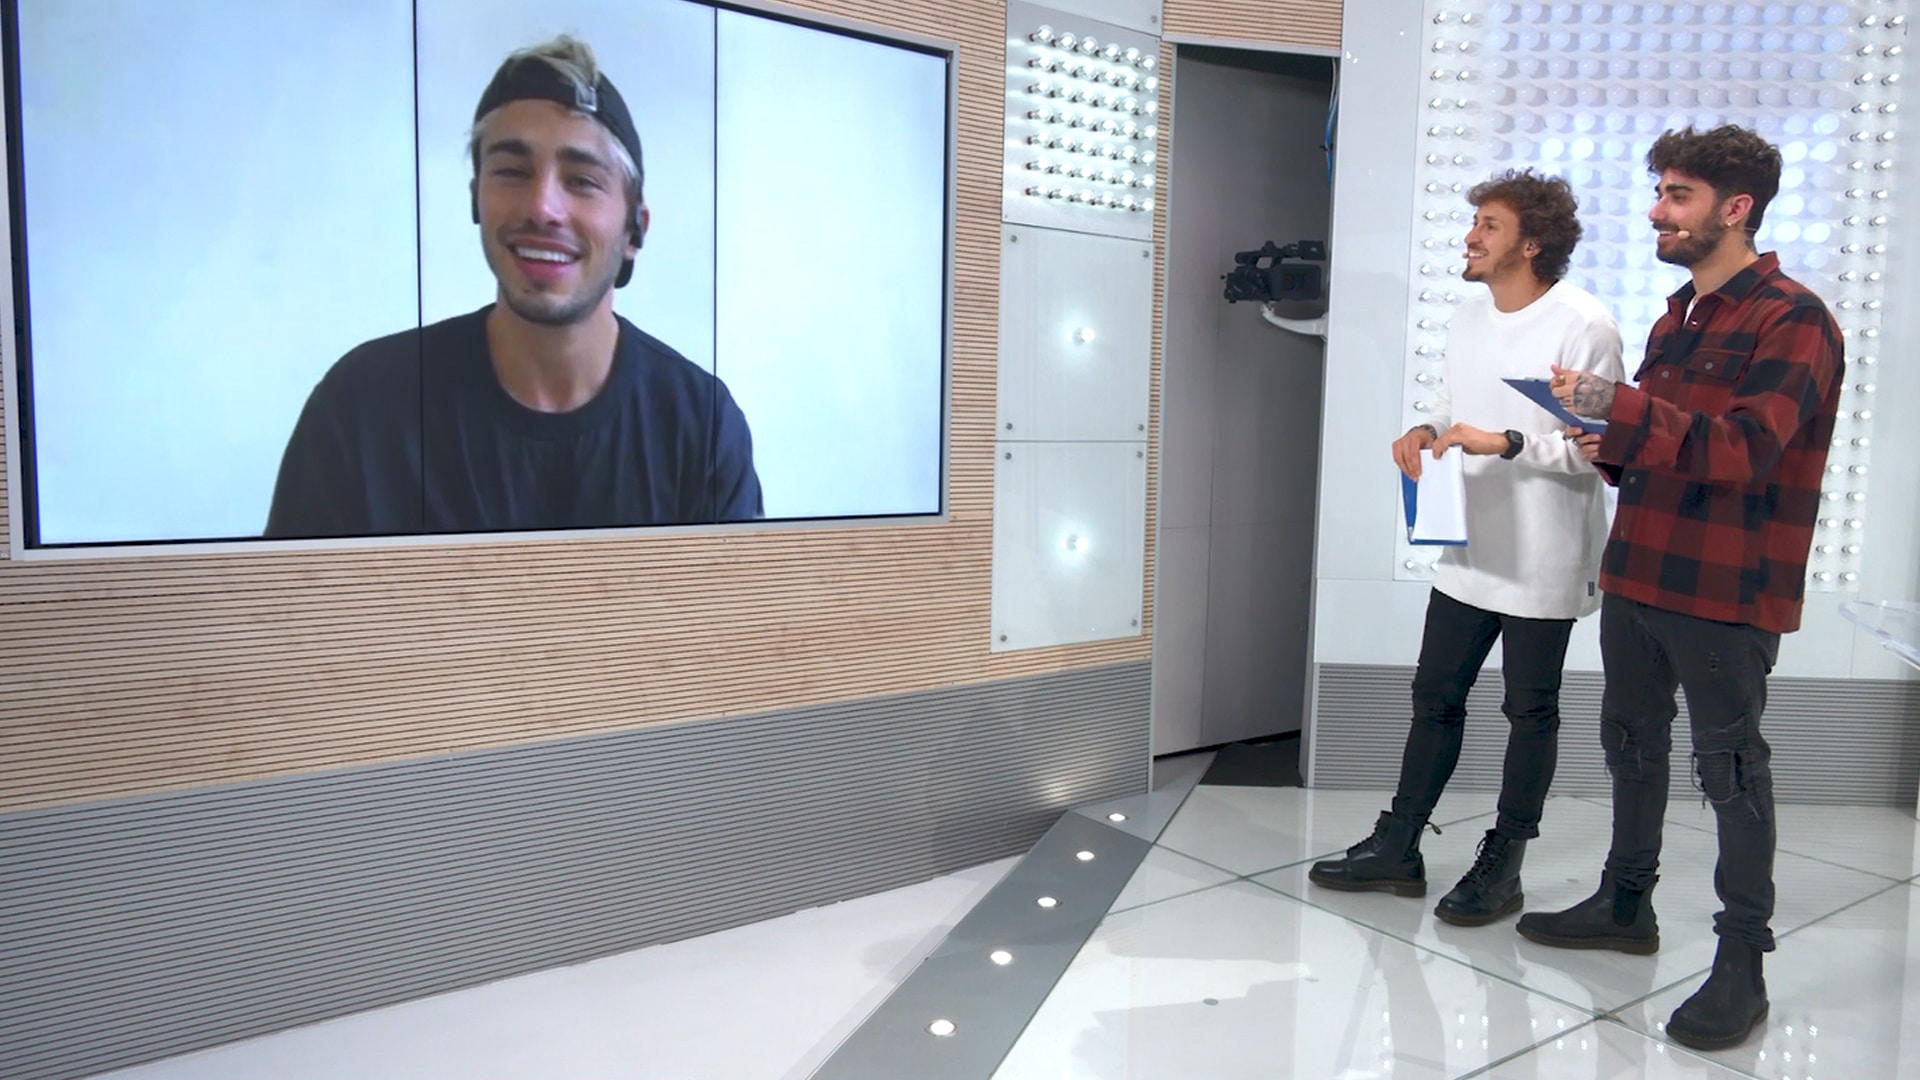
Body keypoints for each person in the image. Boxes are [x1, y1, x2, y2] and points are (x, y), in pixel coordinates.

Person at [1524, 124, 1845, 1053]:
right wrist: (1605, 442)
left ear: (1736, 208)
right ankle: (1626, 902)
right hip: (1639, 569)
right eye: (1660, 192)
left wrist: (1616, 407)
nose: (1656, 211)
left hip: (1725, 587)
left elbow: (1745, 449)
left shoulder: (1796, 319)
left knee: (1730, 770)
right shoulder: (1677, 319)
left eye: (1677, 195)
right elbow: (1664, 445)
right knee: (1630, 741)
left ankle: (1743, 963)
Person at [265, 35, 762, 538]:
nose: (542, 207)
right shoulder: (361, 409)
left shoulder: (700, 426)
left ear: (634, 230)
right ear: (476, 201)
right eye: (511, 172)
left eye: (582, 180)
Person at [1309, 169, 1625, 928]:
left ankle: (1503, 863)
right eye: (1474, 222)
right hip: (1469, 543)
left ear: (1532, 243)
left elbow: (1602, 447)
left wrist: (1509, 442)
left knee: (1529, 710)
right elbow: (1456, 407)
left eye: (1489, 225)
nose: (1470, 237)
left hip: (1545, 554)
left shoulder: (1585, 324)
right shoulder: (1466, 316)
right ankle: (1399, 845)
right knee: (1435, 697)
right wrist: (1426, 430)